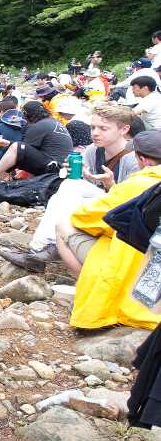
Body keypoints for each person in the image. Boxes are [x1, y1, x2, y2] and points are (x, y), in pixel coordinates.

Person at [1, 104, 140, 272]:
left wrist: (110, 184)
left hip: (123, 216)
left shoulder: (134, 159)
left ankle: (41, 249)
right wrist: (73, 174)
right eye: (93, 127)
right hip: (101, 206)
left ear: (124, 129)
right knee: (66, 187)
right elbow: (85, 187)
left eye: (103, 128)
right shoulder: (93, 151)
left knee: (70, 188)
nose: (95, 133)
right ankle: (39, 248)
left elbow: (133, 204)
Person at [57, 131, 161, 330]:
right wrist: (112, 187)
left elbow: (88, 219)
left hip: (134, 268)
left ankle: (88, 290)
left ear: (143, 160)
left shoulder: (138, 183)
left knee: (63, 227)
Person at [0, 101, 73, 186]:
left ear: (27, 115)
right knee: (17, 147)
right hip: (60, 168)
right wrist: (9, 143)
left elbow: (20, 151)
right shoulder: (52, 122)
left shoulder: (38, 126)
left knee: (18, 148)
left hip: (53, 168)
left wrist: (6, 170)